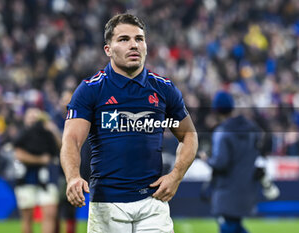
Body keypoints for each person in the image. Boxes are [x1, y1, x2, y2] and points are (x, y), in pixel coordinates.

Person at [60, 13, 198, 233]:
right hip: (107, 204)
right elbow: (72, 139)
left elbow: (188, 135)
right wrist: (73, 177)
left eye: (139, 39)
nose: (133, 44)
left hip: (153, 202)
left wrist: (176, 176)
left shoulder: (163, 89)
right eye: (124, 39)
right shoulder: (91, 90)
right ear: (108, 49)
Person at [199, 91, 264, 233]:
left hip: (226, 191)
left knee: (228, 227)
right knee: (235, 227)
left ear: (216, 110)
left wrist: (206, 159)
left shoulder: (222, 132)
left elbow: (221, 163)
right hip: (247, 189)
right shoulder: (252, 129)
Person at [13, 108, 61, 233]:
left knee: (50, 213)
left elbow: (61, 146)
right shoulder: (22, 134)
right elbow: (19, 154)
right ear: (25, 120)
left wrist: (52, 129)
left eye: (36, 118)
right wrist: (40, 160)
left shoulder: (48, 134)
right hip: (26, 178)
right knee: (27, 217)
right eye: (31, 118)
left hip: (47, 177)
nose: (34, 121)